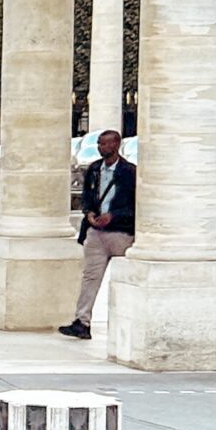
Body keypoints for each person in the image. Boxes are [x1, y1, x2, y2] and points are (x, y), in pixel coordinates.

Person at [59, 128, 136, 340]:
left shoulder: (130, 172)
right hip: (96, 233)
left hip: (120, 232)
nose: (102, 147)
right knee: (90, 277)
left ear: (117, 145)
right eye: (100, 144)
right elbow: (87, 196)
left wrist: (114, 216)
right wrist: (89, 213)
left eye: (106, 143)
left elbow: (135, 204)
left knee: (124, 278)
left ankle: (125, 321)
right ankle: (82, 321)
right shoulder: (94, 169)